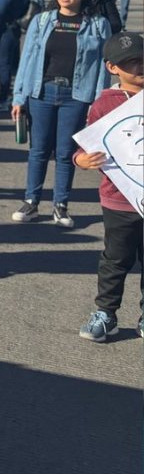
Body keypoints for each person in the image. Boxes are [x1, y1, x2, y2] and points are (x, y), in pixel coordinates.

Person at [10, 0, 113, 226]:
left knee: (66, 153)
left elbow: (102, 67)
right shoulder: (42, 20)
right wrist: (19, 97)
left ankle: (61, 205)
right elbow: (27, 61)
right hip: (41, 92)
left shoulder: (98, 25)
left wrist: (98, 104)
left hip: (76, 96)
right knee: (39, 151)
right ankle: (31, 202)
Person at [73, 31, 143, 342]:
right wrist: (81, 160)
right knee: (115, 259)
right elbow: (85, 144)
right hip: (118, 200)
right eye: (131, 63)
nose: (140, 67)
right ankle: (106, 313)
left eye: (143, 60)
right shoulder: (104, 104)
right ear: (112, 67)